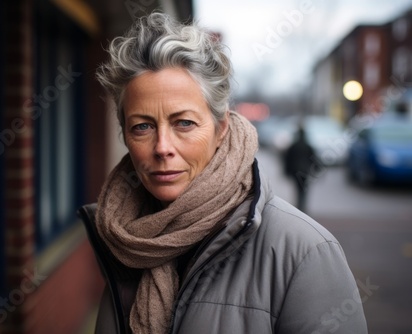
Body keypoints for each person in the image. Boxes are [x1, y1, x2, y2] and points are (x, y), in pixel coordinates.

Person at [78, 12, 368, 334]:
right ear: (125, 135)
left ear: (221, 129)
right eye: (142, 126)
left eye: (183, 123)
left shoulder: (303, 252)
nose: (162, 147)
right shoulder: (125, 240)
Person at [283, 125, 316, 212]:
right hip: (305, 171)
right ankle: (302, 206)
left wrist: (286, 171)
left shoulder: (293, 146)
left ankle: (299, 206)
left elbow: (287, 160)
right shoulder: (308, 146)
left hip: (295, 171)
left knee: (297, 189)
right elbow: (313, 160)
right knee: (303, 189)